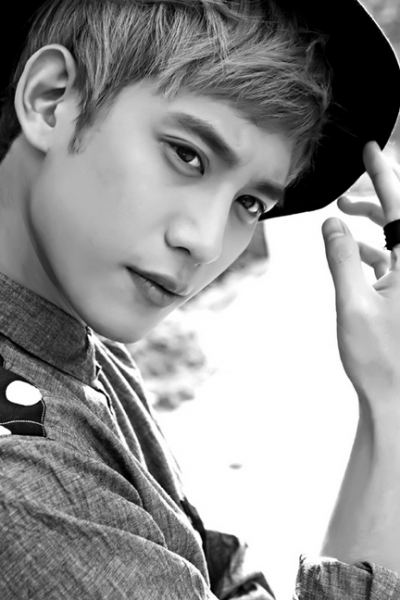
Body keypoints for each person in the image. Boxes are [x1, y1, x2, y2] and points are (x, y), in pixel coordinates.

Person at [0, 0, 399, 598]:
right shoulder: (25, 486)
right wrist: (392, 408)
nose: (207, 242)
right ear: (51, 100)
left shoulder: (84, 349)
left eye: (250, 203)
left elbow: (216, 570)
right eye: (187, 155)